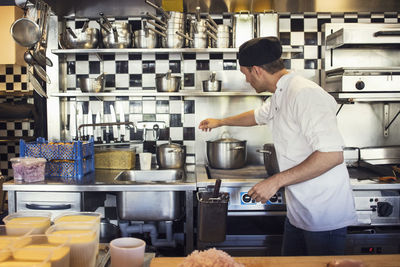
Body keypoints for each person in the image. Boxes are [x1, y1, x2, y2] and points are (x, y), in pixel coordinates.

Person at [198, 37, 357, 256]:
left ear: (256, 71)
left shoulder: (304, 94)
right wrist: (221, 121)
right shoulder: (281, 92)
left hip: (323, 216)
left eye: (245, 74)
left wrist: (275, 181)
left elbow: (331, 155)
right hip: (299, 212)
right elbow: (256, 116)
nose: (246, 81)